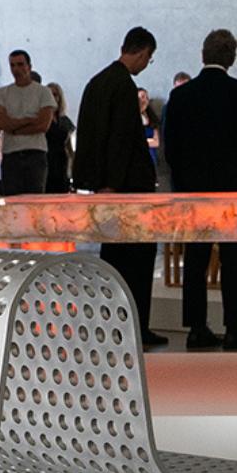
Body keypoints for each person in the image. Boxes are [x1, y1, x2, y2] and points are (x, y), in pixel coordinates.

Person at [167, 30, 237, 350]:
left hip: (194, 193)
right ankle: (234, 327)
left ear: (203, 54)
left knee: (195, 260)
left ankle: (196, 328)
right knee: (233, 260)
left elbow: (171, 148)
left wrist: (182, 185)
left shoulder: (181, 96)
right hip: (233, 193)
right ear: (231, 58)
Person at [74, 27, 166, 347]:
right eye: (148, 59)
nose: (145, 63)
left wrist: (92, 182)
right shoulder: (125, 85)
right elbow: (123, 140)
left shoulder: (96, 82)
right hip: (128, 189)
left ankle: (113, 326)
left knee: (112, 259)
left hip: (103, 186)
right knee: (139, 260)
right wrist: (114, 183)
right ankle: (137, 327)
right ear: (142, 53)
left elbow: (87, 134)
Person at [0, 49, 59, 195]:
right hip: (11, 154)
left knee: (35, 201)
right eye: (13, 65)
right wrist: (29, 120)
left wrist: (14, 128)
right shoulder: (2, 93)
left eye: (20, 64)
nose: (16, 69)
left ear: (29, 66)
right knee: (11, 201)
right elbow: (1, 123)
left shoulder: (43, 92)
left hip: (35, 154)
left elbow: (42, 125)